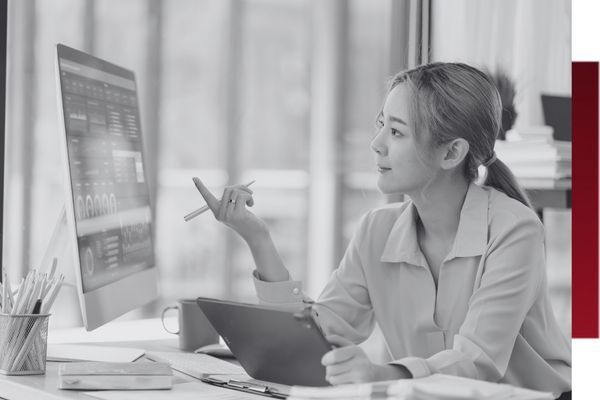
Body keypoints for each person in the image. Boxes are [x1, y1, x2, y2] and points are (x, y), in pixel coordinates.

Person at [193, 62, 571, 398]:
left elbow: (478, 360)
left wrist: (380, 374)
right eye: (381, 126)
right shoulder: (377, 229)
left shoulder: (514, 229)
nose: (376, 145)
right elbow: (319, 334)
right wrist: (257, 237)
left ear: (451, 153)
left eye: (396, 132)